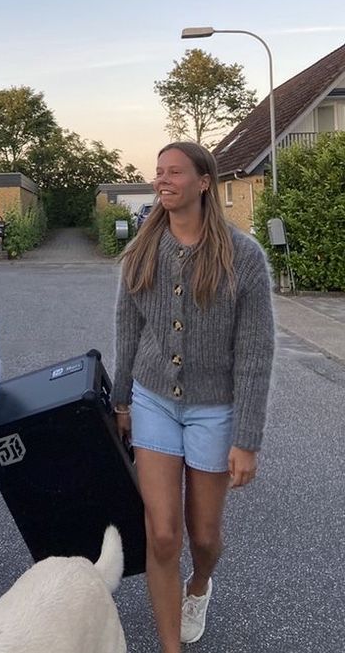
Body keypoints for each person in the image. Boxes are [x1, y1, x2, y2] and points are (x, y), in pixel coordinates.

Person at [113, 142, 275, 652]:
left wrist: (246, 439)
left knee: (203, 537)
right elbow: (128, 329)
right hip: (154, 399)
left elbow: (255, 354)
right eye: (158, 171)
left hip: (215, 408)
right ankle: (170, 647)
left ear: (204, 182)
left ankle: (200, 583)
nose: (162, 180)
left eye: (174, 172)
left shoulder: (243, 257)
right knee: (162, 535)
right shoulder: (142, 250)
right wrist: (121, 402)